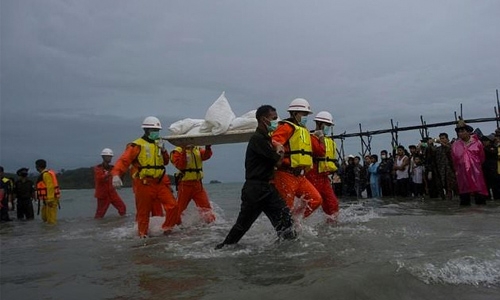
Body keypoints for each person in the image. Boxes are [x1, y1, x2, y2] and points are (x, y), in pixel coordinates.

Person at [216, 105, 296, 249]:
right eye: (274, 118)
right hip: (255, 190)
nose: (277, 122)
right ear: (263, 119)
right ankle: (222, 249)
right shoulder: (257, 139)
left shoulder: (266, 139)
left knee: (286, 223)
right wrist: (280, 150)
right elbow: (277, 161)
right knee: (242, 226)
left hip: (268, 188)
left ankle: (286, 255)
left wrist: (277, 148)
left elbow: (275, 162)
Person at [111, 116, 178, 238]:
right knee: (143, 213)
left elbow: (166, 162)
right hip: (144, 183)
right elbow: (124, 160)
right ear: (146, 130)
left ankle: (166, 229)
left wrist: (163, 151)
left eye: (158, 130)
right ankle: (143, 236)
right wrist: (116, 174)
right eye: (154, 130)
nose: (156, 133)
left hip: (159, 183)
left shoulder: (159, 144)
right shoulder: (136, 145)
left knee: (173, 206)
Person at [271, 98, 322, 218]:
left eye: (307, 115)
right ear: (294, 113)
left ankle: (296, 221)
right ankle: (286, 229)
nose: (306, 117)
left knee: (316, 200)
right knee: (286, 208)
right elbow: (274, 141)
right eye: (304, 114)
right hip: (285, 174)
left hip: (299, 175)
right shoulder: (286, 127)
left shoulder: (303, 130)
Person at [305, 111, 339, 222]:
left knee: (332, 203)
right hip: (313, 174)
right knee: (312, 201)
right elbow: (319, 152)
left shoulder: (330, 141)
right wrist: (320, 138)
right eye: (327, 125)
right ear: (319, 123)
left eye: (329, 125)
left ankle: (332, 223)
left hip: (324, 176)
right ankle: (298, 221)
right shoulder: (311, 138)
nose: (328, 127)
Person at [170, 144, 216, 225]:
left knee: (206, 207)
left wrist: (208, 147)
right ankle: (175, 225)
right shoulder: (176, 152)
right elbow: (181, 165)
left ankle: (212, 225)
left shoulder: (197, 149)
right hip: (185, 184)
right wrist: (184, 151)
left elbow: (206, 156)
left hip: (198, 184)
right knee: (180, 208)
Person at [451, 120, 488, 206]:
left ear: (468, 132)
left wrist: (476, 166)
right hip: (462, 174)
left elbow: (482, 157)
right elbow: (454, 160)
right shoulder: (455, 145)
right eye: (459, 132)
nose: (461, 133)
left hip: (476, 173)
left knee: (480, 199)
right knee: (464, 200)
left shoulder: (477, 143)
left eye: (463, 131)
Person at [93, 148, 127, 219]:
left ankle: (123, 223)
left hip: (112, 193)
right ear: (103, 157)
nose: (109, 158)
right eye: (107, 156)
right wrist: (111, 173)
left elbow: (120, 173)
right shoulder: (98, 168)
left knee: (122, 207)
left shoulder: (112, 168)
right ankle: (99, 226)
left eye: (110, 157)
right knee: (100, 214)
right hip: (103, 194)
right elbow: (100, 178)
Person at [35, 159, 61, 225]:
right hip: (46, 200)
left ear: (38, 166)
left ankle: (52, 233)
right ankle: (47, 233)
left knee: (51, 219)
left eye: (36, 166)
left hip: (50, 200)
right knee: (44, 217)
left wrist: (50, 200)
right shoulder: (43, 174)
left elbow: (50, 187)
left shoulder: (46, 174)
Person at [433, 133, 458, 200]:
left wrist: (443, 144)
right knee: (445, 188)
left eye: (443, 138)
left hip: (451, 171)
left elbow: (452, 151)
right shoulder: (438, 149)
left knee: (455, 188)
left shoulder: (453, 146)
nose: (442, 140)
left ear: (447, 139)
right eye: (440, 138)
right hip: (441, 171)